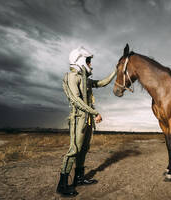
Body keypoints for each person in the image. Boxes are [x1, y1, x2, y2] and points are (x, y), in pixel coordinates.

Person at [56, 46, 117, 197]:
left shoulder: (86, 80)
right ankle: (62, 185)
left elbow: (102, 83)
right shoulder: (72, 77)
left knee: (83, 149)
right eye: (89, 61)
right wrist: (94, 112)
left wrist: (116, 71)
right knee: (74, 150)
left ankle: (79, 178)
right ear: (81, 60)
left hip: (87, 120)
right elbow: (76, 100)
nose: (91, 65)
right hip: (78, 119)